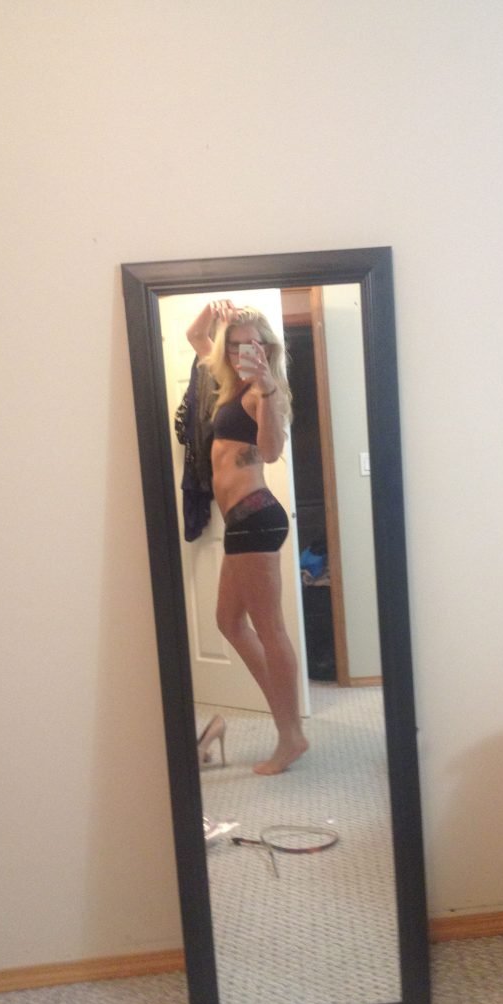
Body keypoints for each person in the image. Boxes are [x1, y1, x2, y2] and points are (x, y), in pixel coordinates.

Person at [186, 299, 309, 775]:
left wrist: (268, 387)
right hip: (241, 521)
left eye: (251, 345)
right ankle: (285, 716)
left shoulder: (261, 393)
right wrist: (212, 311)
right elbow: (196, 338)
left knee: (270, 629)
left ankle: (290, 735)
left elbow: (272, 452)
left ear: (266, 348)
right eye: (235, 346)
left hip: (256, 516)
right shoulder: (228, 384)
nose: (242, 353)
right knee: (229, 622)